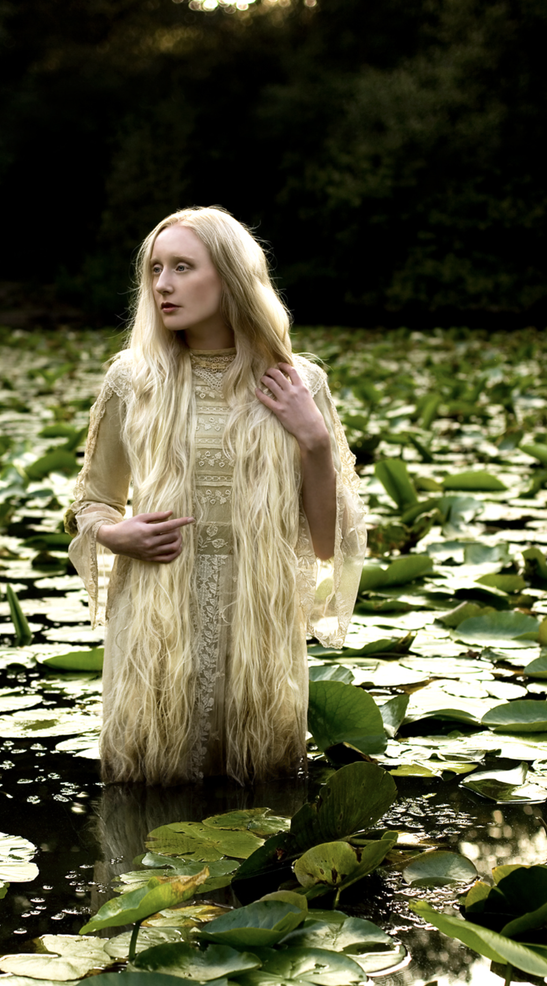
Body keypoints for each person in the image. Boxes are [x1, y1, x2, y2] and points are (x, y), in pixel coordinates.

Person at [66, 206, 365, 785]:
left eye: (182, 267)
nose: (163, 286)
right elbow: (94, 501)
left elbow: (327, 541)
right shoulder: (134, 379)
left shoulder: (298, 382)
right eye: (155, 269)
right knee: (150, 790)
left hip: (259, 623)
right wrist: (113, 533)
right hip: (158, 616)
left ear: (229, 278)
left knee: (260, 794)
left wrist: (315, 440)